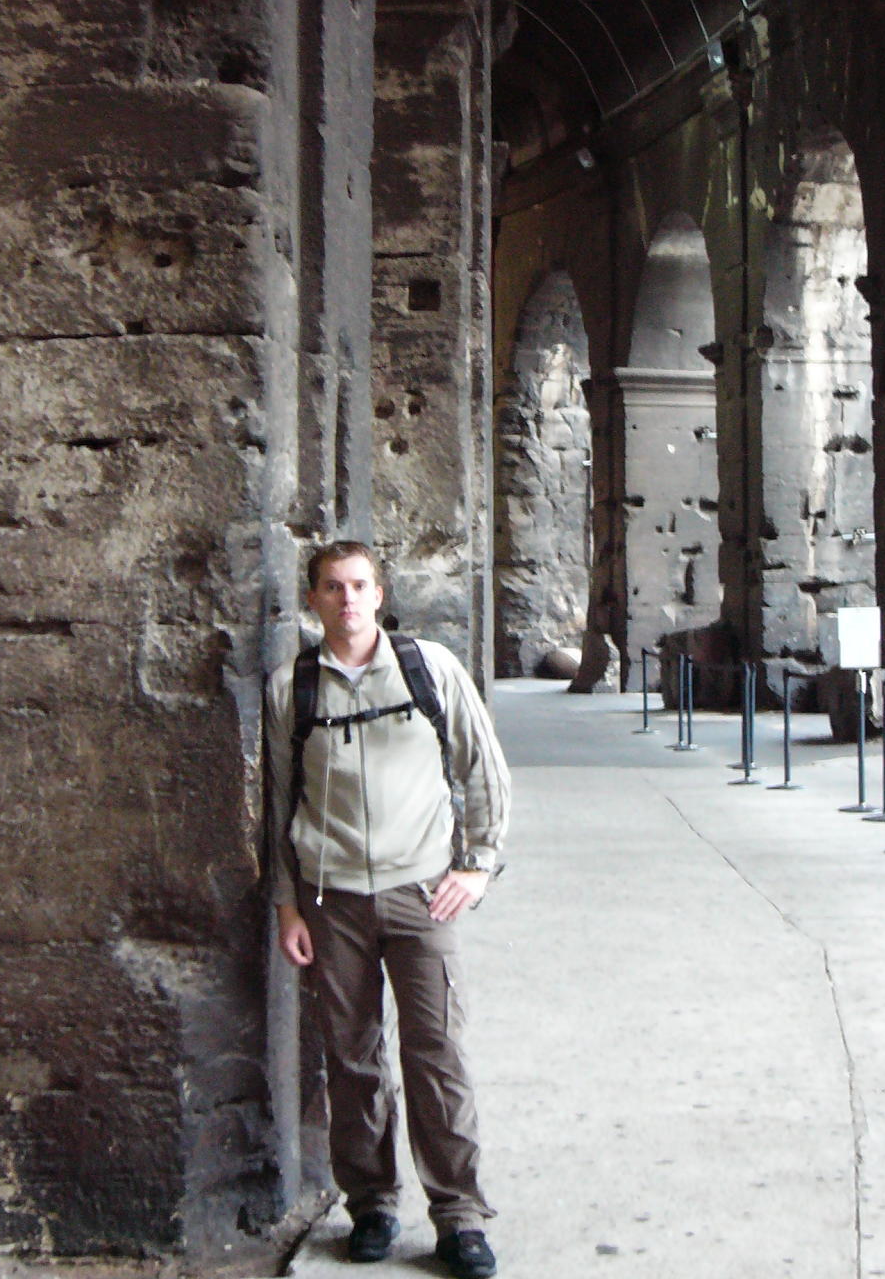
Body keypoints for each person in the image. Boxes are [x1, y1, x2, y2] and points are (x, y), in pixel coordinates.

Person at [265, 541, 511, 1278]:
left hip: (420, 894)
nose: (347, 599)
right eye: (332, 587)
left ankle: (459, 1215)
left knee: (436, 1053)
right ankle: (370, 1204)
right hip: (330, 896)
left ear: (380, 593)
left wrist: (478, 864)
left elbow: (482, 765)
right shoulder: (292, 687)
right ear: (313, 599)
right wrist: (287, 905)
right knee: (351, 1058)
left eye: (359, 585)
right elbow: (277, 803)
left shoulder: (428, 668)